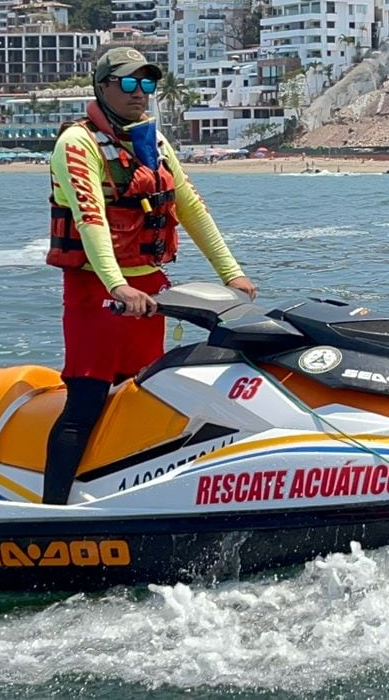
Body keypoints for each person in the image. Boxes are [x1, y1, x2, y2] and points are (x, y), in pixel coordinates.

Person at [44, 46, 256, 504]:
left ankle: (125, 492)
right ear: (102, 88)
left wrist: (232, 274)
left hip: (149, 292)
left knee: (142, 395)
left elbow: (191, 208)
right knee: (87, 401)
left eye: (147, 84)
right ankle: (50, 508)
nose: (140, 93)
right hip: (95, 291)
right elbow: (90, 218)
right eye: (128, 83)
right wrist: (116, 284)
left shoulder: (153, 144)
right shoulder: (76, 144)